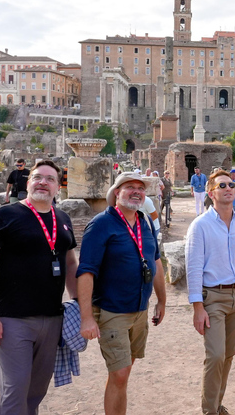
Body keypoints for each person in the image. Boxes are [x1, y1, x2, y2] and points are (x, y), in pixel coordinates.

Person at [0, 160, 78, 414]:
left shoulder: (62, 219)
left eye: (50, 179)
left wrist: (80, 305)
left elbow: (71, 264)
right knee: (15, 389)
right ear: (27, 182)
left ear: (57, 187)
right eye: (37, 177)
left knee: (36, 391)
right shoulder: (3, 216)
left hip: (52, 318)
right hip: (12, 318)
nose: (43, 182)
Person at [77, 172, 166, 415]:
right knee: (120, 374)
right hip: (112, 310)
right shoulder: (101, 224)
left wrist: (162, 301)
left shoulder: (145, 221)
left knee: (123, 373)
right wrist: (86, 317)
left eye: (141, 187)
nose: (136, 191)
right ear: (117, 192)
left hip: (140, 310)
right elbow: (85, 271)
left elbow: (156, 262)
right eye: (130, 187)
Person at [185, 169, 235, 415]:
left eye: (232, 185)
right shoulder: (200, 226)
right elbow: (193, 269)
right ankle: (209, 411)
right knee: (215, 355)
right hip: (212, 297)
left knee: (228, 356)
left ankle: (217, 404)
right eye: (222, 185)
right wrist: (197, 308)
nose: (229, 188)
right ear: (211, 192)